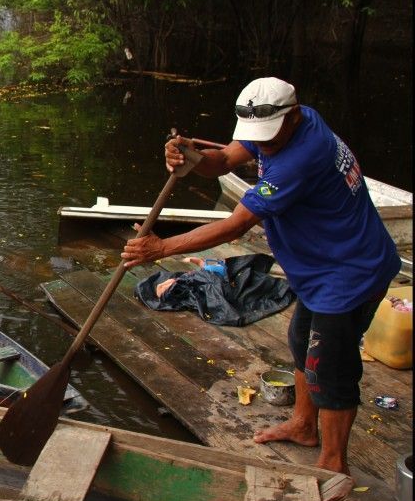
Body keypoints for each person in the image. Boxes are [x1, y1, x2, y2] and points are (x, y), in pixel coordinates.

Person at [120, 77, 400, 476]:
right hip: (320, 268)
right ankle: (305, 426)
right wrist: (192, 157)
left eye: (267, 139)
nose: (261, 145)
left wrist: (162, 248)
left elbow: (237, 225)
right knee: (302, 340)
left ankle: (334, 465)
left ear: (295, 116)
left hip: (349, 274)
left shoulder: (302, 158)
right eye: (257, 138)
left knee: (331, 369)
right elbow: (223, 161)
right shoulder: (282, 121)